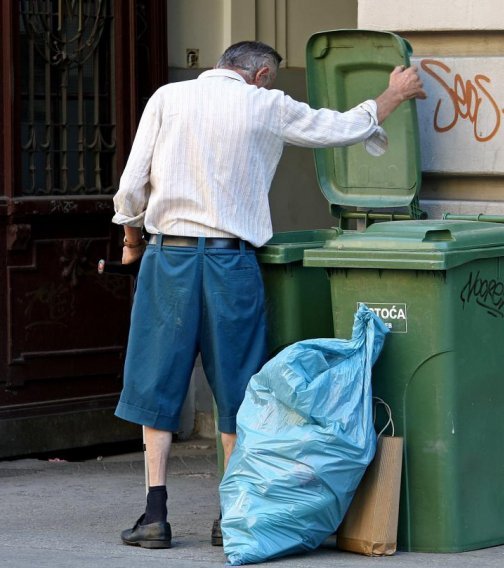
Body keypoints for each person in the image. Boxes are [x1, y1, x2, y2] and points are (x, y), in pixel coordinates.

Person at [112, 40, 426, 550]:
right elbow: (340, 127)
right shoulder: (267, 104)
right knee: (238, 386)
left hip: (167, 257)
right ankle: (230, 515)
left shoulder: (167, 97)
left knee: (156, 381)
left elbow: (131, 187)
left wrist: (130, 239)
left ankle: (154, 515)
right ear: (259, 76)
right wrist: (392, 95)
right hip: (231, 262)